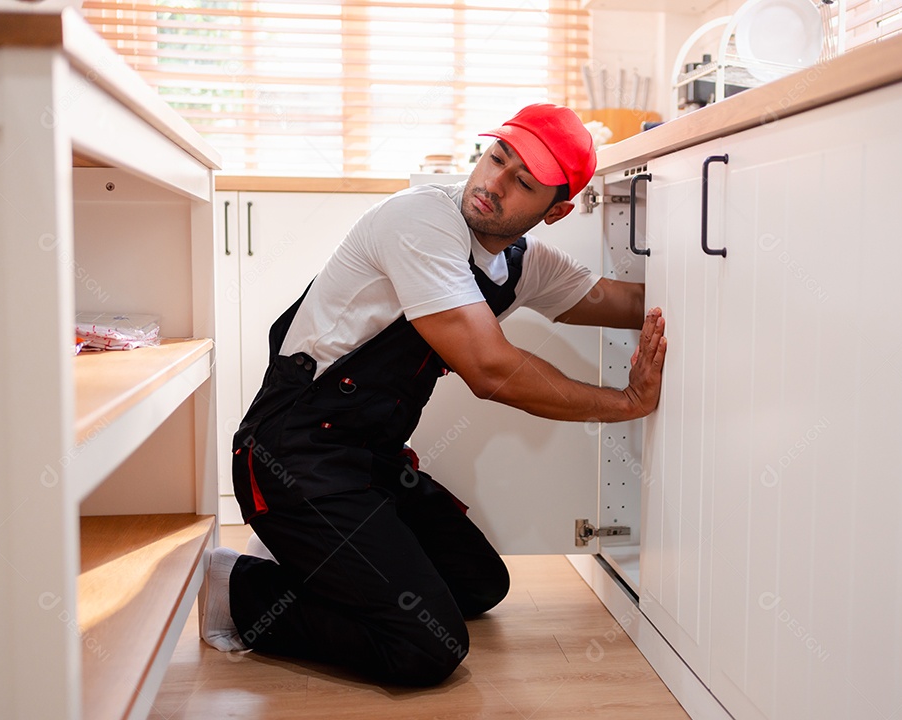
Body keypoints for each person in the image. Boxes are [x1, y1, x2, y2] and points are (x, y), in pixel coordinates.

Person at [198, 103, 667, 687]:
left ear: (556, 211)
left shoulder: (524, 266)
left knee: (479, 584)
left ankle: (308, 556)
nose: (494, 183)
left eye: (523, 182)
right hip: (293, 459)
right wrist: (625, 403)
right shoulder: (419, 219)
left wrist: (728, 277)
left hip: (369, 461)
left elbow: (631, 303)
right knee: (424, 646)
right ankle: (237, 589)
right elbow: (490, 370)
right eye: (497, 157)